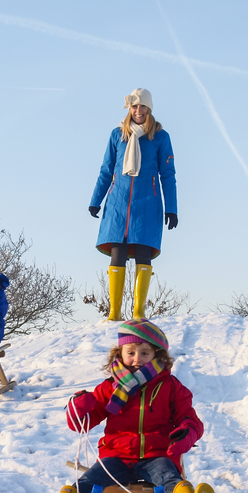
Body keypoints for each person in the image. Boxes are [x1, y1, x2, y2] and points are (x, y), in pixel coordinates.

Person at [27, 318, 215, 493]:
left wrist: (187, 432)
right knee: (88, 481)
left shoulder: (170, 386)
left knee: (170, 479)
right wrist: (79, 408)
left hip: (157, 454)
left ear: (158, 355)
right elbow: (82, 422)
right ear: (120, 353)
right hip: (117, 456)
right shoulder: (110, 387)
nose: (137, 359)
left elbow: (189, 418)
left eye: (145, 353)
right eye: (131, 352)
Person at [88, 88, 177, 321]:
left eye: (143, 106)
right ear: (130, 109)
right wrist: (96, 200)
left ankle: (138, 312)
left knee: (142, 252)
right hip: (118, 204)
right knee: (116, 251)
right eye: (134, 106)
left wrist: (172, 208)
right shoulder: (117, 135)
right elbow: (106, 170)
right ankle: (114, 312)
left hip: (148, 204)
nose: (138, 111)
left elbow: (168, 174)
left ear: (149, 109)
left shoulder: (160, 137)